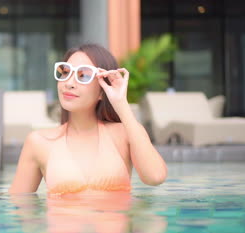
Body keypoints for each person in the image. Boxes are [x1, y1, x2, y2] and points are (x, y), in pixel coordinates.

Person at [9, 43, 167, 195]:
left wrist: (121, 104)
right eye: (65, 72)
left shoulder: (124, 133)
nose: (69, 83)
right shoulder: (38, 142)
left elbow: (155, 177)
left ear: (102, 90)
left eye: (83, 75)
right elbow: (18, 208)